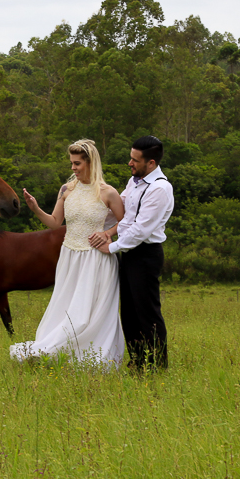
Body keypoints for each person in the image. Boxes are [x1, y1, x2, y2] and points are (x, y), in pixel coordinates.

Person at [10, 139, 125, 367]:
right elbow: (54, 222)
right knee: (65, 306)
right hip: (70, 257)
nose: (73, 168)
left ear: (91, 163)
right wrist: (35, 208)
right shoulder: (67, 189)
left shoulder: (108, 193)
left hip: (97, 258)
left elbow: (126, 223)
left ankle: (93, 354)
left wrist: (107, 233)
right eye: (71, 163)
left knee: (88, 311)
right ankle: (56, 350)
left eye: (77, 163)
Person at [90, 136, 174, 371]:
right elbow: (123, 214)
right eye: (131, 157)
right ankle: (138, 361)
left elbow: (140, 229)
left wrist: (112, 246)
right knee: (128, 311)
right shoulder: (135, 182)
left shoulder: (160, 189)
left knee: (146, 311)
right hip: (129, 253)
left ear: (151, 163)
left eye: (135, 160)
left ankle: (157, 365)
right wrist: (102, 229)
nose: (130, 163)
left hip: (146, 254)